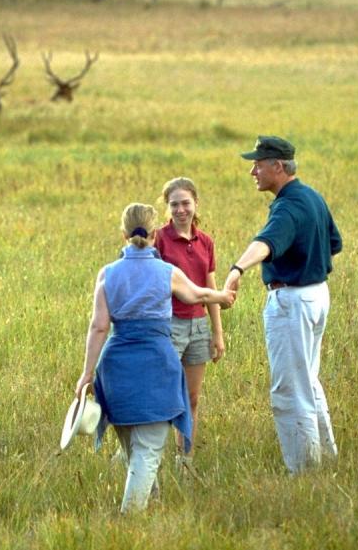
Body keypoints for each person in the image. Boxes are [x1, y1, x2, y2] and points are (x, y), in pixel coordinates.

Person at [73, 203, 235, 513]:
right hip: (156, 367)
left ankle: (152, 511)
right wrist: (224, 297)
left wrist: (86, 375)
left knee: (137, 451)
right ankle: (129, 520)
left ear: (123, 234)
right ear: (154, 234)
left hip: (116, 370)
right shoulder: (167, 272)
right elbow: (198, 295)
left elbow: (98, 327)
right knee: (148, 452)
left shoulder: (107, 274)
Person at [223, 136, 343, 474]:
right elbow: (333, 243)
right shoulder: (312, 197)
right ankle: (326, 460)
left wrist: (236, 269)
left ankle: (304, 471)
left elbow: (266, 242)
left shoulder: (289, 206)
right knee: (308, 380)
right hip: (316, 294)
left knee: (290, 390)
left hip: (292, 301)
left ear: (278, 166)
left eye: (258, 164)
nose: (252, 171)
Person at [154, 177, 225, 471]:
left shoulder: (206, 241)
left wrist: (217, 333)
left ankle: (185, 461)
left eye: (186, 203)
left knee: (192, 398)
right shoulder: (158, 239)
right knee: (164, 395)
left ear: (196, 204)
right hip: (169, 325)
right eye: (174, 205)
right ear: (167, 208)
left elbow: (210, 288)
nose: (181, 210)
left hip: (198, 327)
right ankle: (150, 456)